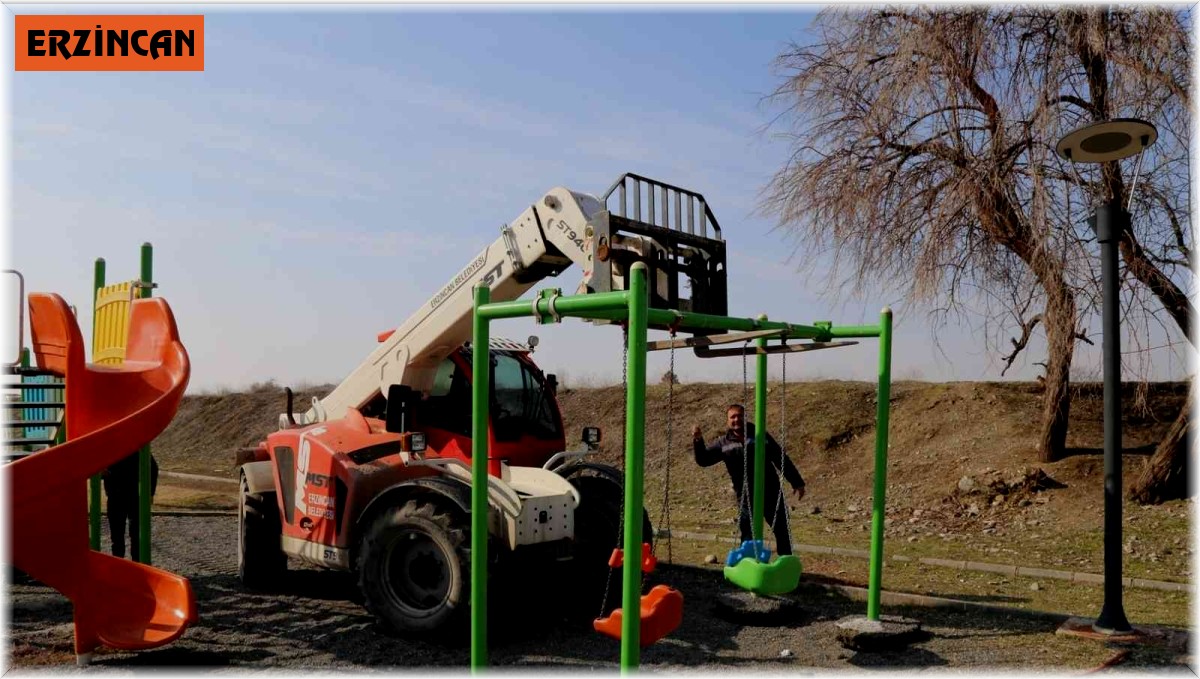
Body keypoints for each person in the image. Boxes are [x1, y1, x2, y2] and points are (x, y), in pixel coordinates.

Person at [693, 404, 805, 556]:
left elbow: (780, 458)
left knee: (782, 530)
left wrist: (797, 482)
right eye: (732, 417)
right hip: (746, 496)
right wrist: (698, 440)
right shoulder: (724, 443)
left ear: (745, 417)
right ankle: (747, 562)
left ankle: (786, 563)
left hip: (770, 492)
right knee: (747, 533)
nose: (736, 419)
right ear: (728, 421)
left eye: (739, 415)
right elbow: (704, 460)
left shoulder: (760, 436)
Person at [102, 451, 159, 559]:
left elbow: (153, 468)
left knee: (128, 535)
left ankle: (129, 562)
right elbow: (153, 468)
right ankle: (123, 561)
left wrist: (150, 492)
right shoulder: (113, 451)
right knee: (121, 535)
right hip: (122, 496)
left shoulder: (135, 450)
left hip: (128, 496)